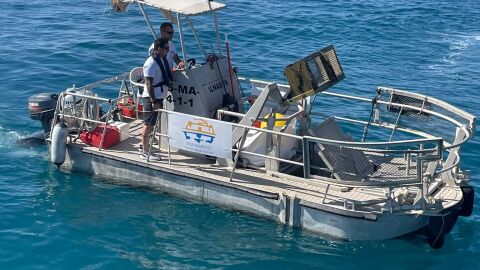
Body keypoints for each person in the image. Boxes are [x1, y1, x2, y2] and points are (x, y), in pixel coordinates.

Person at [140, 37, 173, 160]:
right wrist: (154, 101)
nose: (167, 51)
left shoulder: (160, 59)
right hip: (151, 99)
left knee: (151, 124)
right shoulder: (151, 63)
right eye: (166, 48)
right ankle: (144, 152)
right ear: (158, 49)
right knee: (147, 125)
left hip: (159, 97)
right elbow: (149, 84)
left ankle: (144, 147)